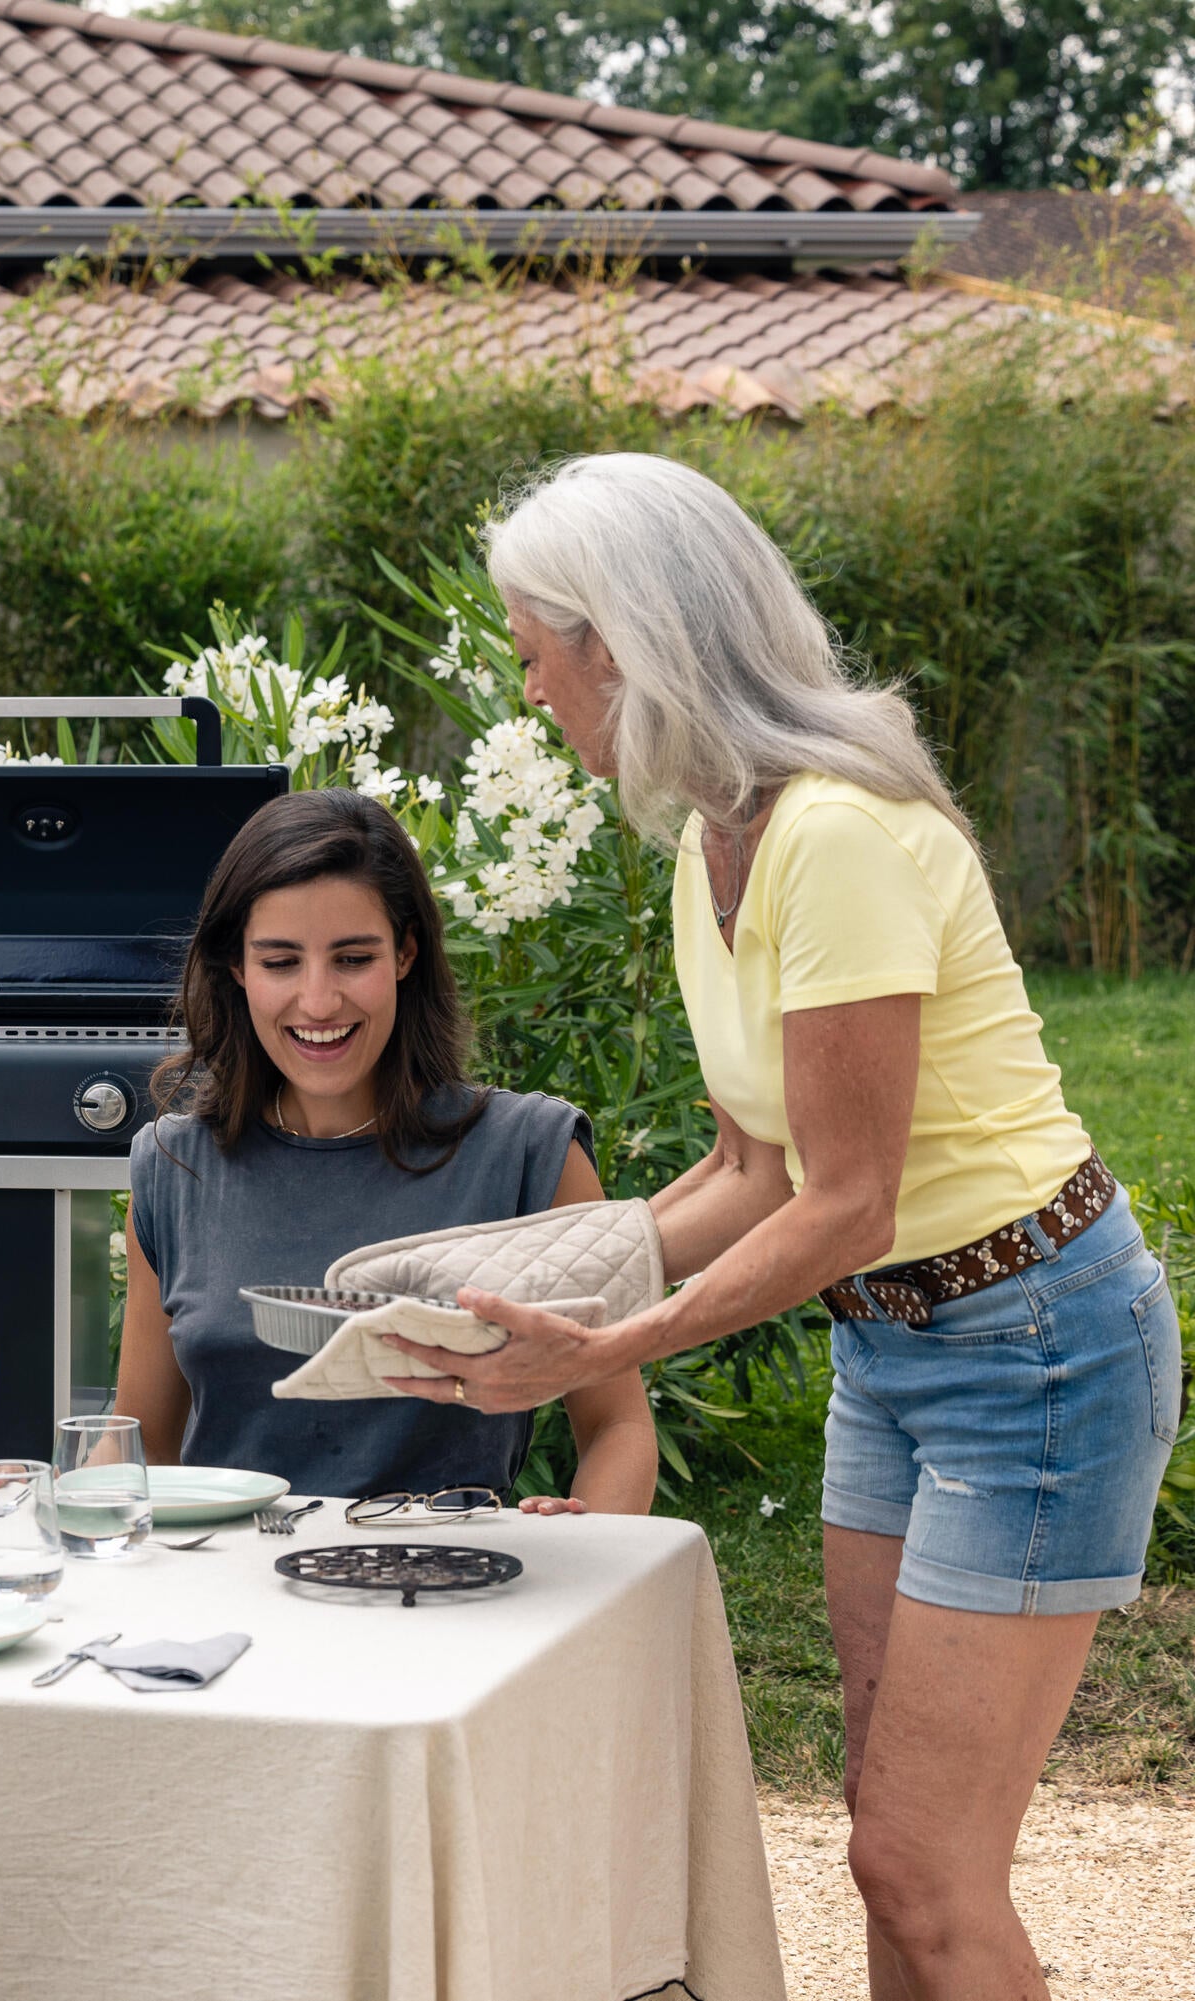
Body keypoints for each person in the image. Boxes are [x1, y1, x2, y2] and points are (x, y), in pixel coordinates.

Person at [398, 454, 1177, 2001]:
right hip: (894, 1348)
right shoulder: (716, 841)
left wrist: (607, 1348)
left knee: (921, 1862)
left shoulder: (835, 834)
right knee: (892, 1853)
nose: (526, 683)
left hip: (1036, 1348)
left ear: (615, 641)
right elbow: (750, 1166)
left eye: (531, 647)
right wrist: (513, 1277)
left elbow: (845, 1201)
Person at [108, 789, 659, 1513]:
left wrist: (586, 1545)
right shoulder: (171, 1167)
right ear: (236, 968)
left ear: (405, 952)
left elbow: (618, 1424)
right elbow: (140, 1445)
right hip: (229, 1602)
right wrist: (41, 1502)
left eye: (352, 957)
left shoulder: (532, 1155)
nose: (318, 999)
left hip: (453, 1594)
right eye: (280, 961)